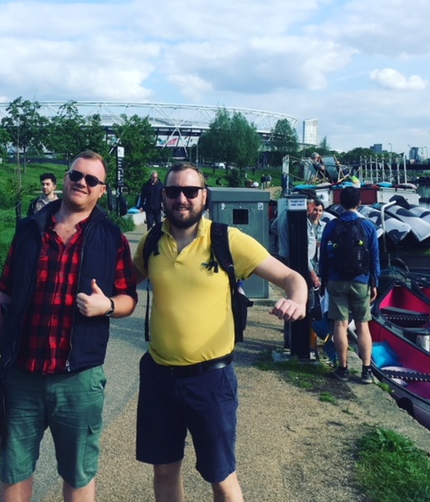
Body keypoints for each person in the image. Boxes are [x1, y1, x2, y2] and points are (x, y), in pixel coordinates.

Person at [132, 162, 307, 502]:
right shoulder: (152, 241)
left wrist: (297, 301)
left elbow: (291, 278)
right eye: (173, 191)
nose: (181, 198)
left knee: (221, 475)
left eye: (190, 191)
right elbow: (121, 284)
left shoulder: (227, 240)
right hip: (158, 376)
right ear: (163, 196)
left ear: (204, 196)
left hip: (210, 381)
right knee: (164, 469)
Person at [0, 150, 138, 502]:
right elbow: (3, 298)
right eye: (76, 175)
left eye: (91, 180)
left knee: (78, 474)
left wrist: (107, 306)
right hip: (21, 374)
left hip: (78, 379)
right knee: (14, 470)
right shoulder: (29, 230)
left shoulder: (112, 238)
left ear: (102, 190)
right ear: (64, 178)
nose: (82, 183)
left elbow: (128, 298)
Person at [319, 186, 380, 384]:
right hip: (361, 281)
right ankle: (366, 370)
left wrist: (324, 278)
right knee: (363, 325)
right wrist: (374, 282)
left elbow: (323, 256)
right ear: (359, 203)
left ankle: (343, 368)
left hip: (336, 280)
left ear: (340, 202)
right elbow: (375, 258)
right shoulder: (368, 226)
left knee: (340, 324)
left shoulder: (331, 225)